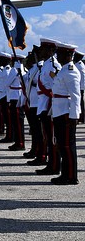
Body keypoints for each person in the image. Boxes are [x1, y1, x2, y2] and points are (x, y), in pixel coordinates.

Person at [50, 42, 81, 185]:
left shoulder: (71, 71)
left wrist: (74, 116)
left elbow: (75, 96)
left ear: (68, 55)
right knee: (62, 145)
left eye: (60, 54)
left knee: (68, 146)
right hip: (59, 111)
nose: (58, 56)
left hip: (66, 113)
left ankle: (71, 176)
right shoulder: (63, 70)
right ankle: (66, 174)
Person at [36, 38, 61, 173]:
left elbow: (55, 86)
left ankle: (55, 166)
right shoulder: (46, 64)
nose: (41, 51)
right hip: (43, 103)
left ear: (51, 51)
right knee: (47, 135)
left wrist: (51, 105)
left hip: (49, 104)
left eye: (44, 49)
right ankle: (51, 164)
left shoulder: (52, 65)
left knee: (52, 138)